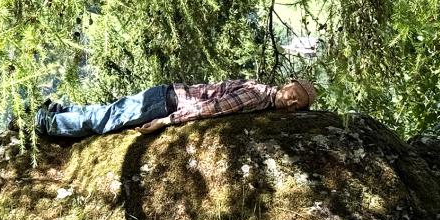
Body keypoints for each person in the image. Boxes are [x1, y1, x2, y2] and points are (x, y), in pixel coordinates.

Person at [34, 79, 317, 138]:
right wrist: (166, 121)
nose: (292, 102)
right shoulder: (257, 96)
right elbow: (210, 108)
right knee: (106, 120)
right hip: (169, 103)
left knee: (110, 110)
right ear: (287, 84)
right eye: (294, 95)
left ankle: (59, 110)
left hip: (167, 95)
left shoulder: (262, 94)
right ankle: (45, 122)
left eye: (298, 105)